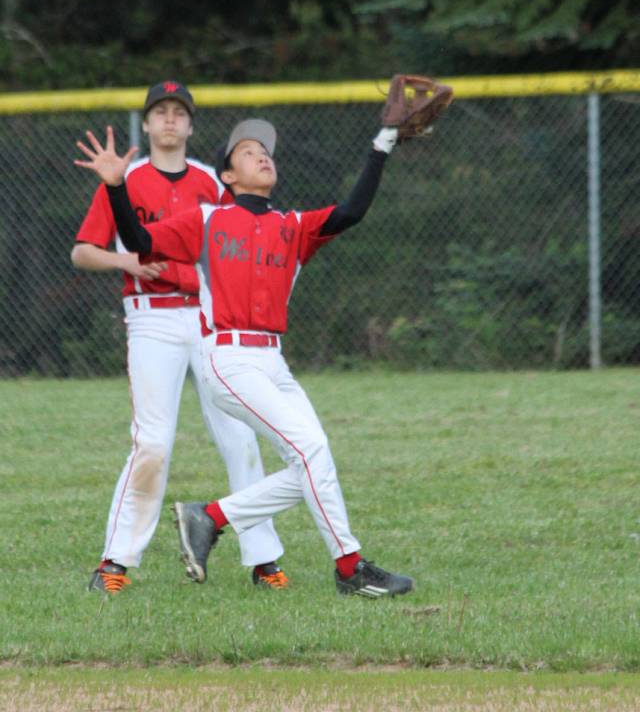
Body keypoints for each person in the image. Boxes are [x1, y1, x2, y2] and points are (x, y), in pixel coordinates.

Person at [74, 113, 415, 598]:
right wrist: (114, 189)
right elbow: (144, 241)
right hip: (230, 360)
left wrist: (381, 144)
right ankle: (350, 568)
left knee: (313, 464)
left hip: (274, 363)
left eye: (267, 151)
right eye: (248, 152)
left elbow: (351, 211)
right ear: (227, 177)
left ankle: (210, 517)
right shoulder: (208, 219)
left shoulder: (292, 226)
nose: (262, 155)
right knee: (311, 451)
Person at [71, 81, 287, 594]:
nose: (169, 120)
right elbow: (82, 251)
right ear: (145, 125)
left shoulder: (214, 182)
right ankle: (115, 563)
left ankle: (264, 561)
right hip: (153, 319)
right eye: (159, 112)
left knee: (240, 433)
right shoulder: (126, 179)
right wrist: (125, 260)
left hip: (212, 317)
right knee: (153, 442)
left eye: (179, 113)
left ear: (190, 126)